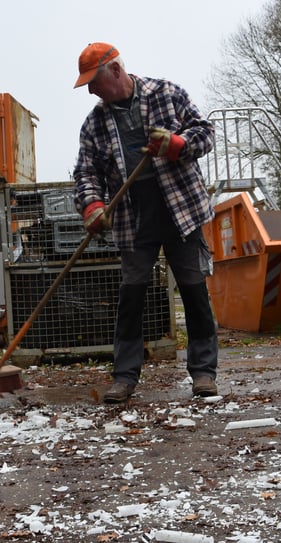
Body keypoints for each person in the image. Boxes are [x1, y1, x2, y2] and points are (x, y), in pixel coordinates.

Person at [72, 42, 219, 404]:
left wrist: (175, 144)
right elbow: (86, 172)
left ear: (117, 72)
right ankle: (124, 377)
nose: (91, 90)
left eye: (94, 82)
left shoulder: (167, 94)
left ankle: (203, 373)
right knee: (131, 296)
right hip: (132, 214)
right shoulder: (95, 122)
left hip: (179, 209)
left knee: (193, 290)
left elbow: (206, 135)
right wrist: (92, 206)